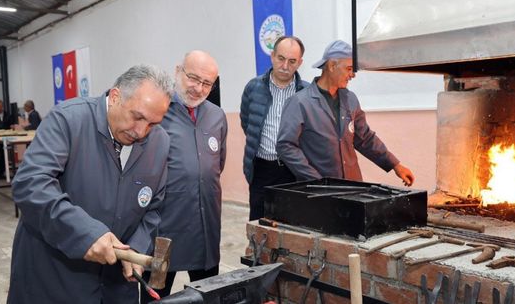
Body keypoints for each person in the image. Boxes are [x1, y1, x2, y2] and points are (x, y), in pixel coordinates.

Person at [7, 65, 173, 304]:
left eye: (152, 124)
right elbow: (30, 183)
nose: (141, 132)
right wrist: (85, 233)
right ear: (115, 97)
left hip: (116, 287)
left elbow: (154, 207)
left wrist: (135, 248)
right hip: (54, 280)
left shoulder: (160, 142)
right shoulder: (68, 120)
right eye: (137, 117)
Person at [140, 51, 227, 303]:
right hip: (162, 230)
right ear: (178, 71)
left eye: (207, 83)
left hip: (205, 227)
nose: (199, 88)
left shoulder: (217, 116)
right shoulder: (158, 111)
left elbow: (216, 166)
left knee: (209, 294)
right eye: (193, 78)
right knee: (155, 295)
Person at [277, 40, 416, 186]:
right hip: (318, 192)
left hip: (352, 187)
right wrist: (316, 180)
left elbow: (365, 139)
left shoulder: (350, 99)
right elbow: (286, 146)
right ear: (332, 65)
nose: (352, 75)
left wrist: (395, 165)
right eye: (349, 69)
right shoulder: (299, 102)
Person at [240, 36, 309, 221]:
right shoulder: (253, 88)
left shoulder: (307, 93)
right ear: (272, 56)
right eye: (281, 58)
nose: (285, 66)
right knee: (259, 224)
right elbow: (247, 123)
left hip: (294, 172)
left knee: (294, 224)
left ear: (300, 63)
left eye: (292, 61)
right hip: (262, 170)